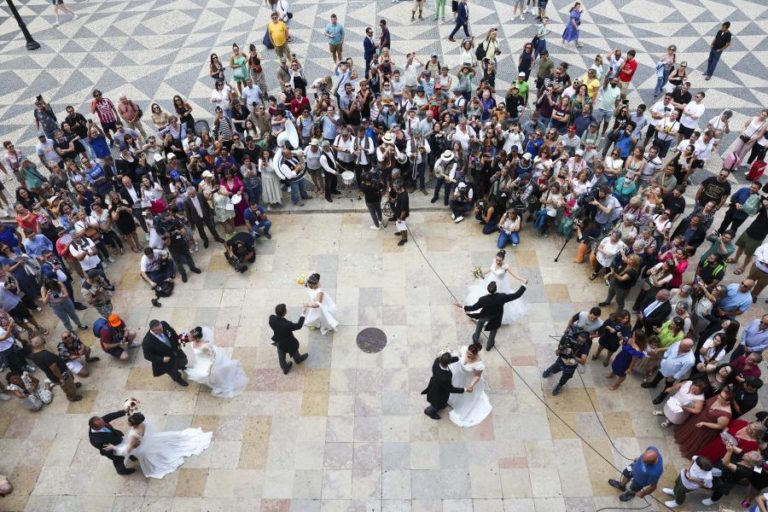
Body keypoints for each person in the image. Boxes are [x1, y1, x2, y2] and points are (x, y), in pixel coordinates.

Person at [108, 412, 212, 479]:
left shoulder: (133, 435)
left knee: (151, 455)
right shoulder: (142, 424)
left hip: (141, 447)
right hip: (146, 442)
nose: (128, 423)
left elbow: (127, 450)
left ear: (134, 424)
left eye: (129, 422)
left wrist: (114, 448)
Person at [181, 326, 248, 398]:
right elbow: (185, 339)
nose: (189, 338)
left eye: (191, 337)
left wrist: (209, 368)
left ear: (197, 338)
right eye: (190, 336)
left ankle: (219, 382)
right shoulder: (193, 341)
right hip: (201, 359)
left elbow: (212, 357)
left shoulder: (204, 347)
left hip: (208, 360)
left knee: (207, 374)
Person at [460, 279, 527, 350]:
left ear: (487, 289)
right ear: (496, 289)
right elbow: (517, 295)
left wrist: (463, 306)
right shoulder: (502, 297)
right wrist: (524, 284)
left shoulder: (483, 299)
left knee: (480, 324)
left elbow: (474, 308)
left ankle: (475, 338)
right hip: (496, 318)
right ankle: (489, 345)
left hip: (485, 316)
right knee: (493, 331)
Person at [464, 250, 527, 325]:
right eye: (497, 259)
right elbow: (490, 269)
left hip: (499, 284)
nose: (497, 262)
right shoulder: (494, 261)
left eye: (500, 260)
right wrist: (482, 274)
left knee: (496, 299)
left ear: (503, 259)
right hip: (491, 281)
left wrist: (522, 280)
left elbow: (514, 275)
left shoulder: (506, 266)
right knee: (485, 296)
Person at [447, 343, 491, 427]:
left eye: (470, 354)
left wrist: (471, 385)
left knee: (462, 394)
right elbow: (460, 355)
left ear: (476, 354)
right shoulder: (464, 349)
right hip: (457, 372)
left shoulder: (479, 365)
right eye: (467, 352)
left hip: (467, 379)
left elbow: (477, 376)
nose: (467, 354)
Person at [642, 338, 696, 405]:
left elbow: (682, 371)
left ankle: (661, 396)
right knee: (659, 375)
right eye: (680, 345)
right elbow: (670, 348)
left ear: (689, 348)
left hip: (671, 374)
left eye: (682, 347)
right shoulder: (678, 343)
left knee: (668, 385)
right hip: (664, 366)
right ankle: (653, 384)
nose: (679, 347)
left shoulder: (690, 360)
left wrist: (674, 377)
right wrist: (665, 358)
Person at [28, 335, 82, 402]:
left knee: (70, 380)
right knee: (67, 386)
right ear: (37, 344)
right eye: (40, 339)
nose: (42, 338)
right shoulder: (45, 355)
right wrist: (61, 378)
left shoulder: (33, 354)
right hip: (61, 374)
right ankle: (72, 397)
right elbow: (54, 368)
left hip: (52, 375)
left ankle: (72, 385)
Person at [541, 329, 591, 395]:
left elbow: (583, 361)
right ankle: (548, 371)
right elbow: (557, 352)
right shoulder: (569, 340)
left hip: (571, 365)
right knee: (554, 368)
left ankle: (559, 386)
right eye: (578, 340)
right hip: (561, 360)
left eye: (581, 342)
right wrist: (561, 349)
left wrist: (573, 356)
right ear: (577, 337)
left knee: (565, 377)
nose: (579, 343)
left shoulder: (585, 346)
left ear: (585, 340)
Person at [421, 351, 468, 420]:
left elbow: (447, 360)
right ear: (448, 363)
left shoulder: (437, 361)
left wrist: (458, 358)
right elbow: (451, 389)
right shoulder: (445, 378)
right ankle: (429, 412)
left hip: (434, 384)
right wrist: (465, 389)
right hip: (438, 393)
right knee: (435, 405)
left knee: (440, 403)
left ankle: (441, 405)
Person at [88, 409, 136, 475]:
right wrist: (117, 451)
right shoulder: (96, 440)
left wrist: (123, 411)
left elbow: (110, 416)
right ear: (95, 428)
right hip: (111, 450)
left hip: (117, 438)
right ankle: (122, 471)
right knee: (118, 459)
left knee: (127, 448)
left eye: (103, 421)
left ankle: (131, 456)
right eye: (102, 425)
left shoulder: (100, 421)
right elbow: (106, 449)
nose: (105, 423)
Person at [142, 319, 189, 387]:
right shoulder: (147, 342)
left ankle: (182, 367)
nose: (162, 330)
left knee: (183, 361)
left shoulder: (164, 324)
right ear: (152, 330)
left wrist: (178, 343)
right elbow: (147, 356)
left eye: (161, 328)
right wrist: (162, 359)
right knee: (173, 371)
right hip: (167, 359)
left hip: (175, 350)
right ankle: (178, 379)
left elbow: (172, 332)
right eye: (158, 330)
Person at [268, 303, 309, 375]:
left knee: (281, 356)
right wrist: (303, 313)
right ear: (285, 312)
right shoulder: (287, 325)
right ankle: (298, 359)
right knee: (294, 349)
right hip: (289, 342)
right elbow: (299, 325)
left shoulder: (272, 318)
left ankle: (285, 368)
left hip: (279, 342)